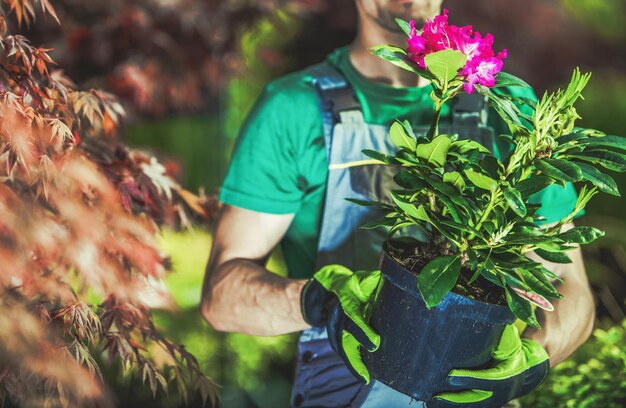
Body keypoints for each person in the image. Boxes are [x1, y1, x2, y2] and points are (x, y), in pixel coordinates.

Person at [200, 1, 595, 406]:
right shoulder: (293, 110)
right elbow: (222, 297)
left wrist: (532, 357)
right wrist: (320, 301)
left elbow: (570, 286)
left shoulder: (511, 110)